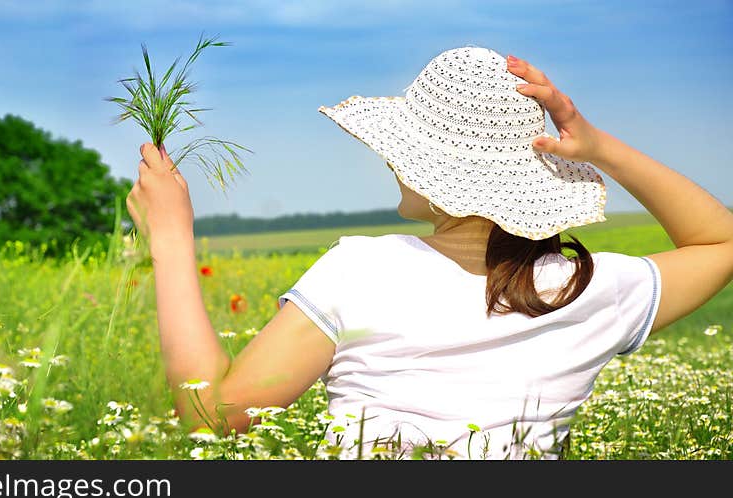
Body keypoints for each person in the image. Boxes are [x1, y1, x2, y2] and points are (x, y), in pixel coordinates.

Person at [125, 46, 733, 459]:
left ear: (431, 170)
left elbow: (211, 418)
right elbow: (721, 241)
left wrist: (171, 240)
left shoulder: (362, 269)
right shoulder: (591, 288)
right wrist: (599, 146)